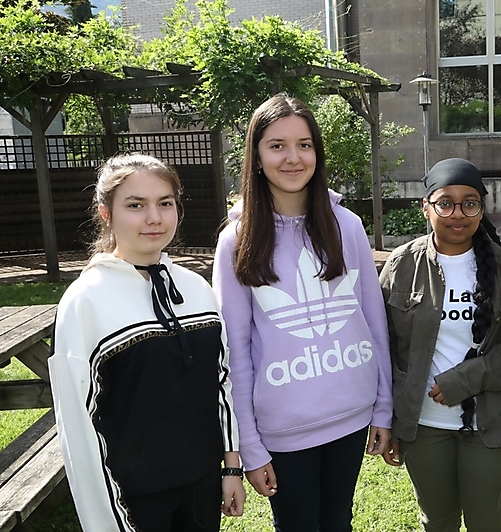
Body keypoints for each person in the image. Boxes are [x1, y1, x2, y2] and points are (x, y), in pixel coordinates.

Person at [212, 94, 392, 532]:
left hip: (351, 416)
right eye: (277, 145)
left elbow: (374, 322)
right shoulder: (236, 240)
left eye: (304, 145)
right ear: (256, 157)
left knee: (338, 522)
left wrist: (384, 406)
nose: (293, 157)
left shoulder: (346, 225)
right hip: (283, 431)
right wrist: (249, 444)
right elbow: (234, 351)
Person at [49, 153, 246, 531]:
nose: (154, 217)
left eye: (165, 203)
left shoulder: (196, 289)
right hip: (133, 500)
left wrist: (230, 466)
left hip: (202, 487)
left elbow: (221, 384)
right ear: (106, 213)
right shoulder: (85, 301)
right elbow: (79, 427)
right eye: (136, 205)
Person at [379, 157, 501, 532]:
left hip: (489, 425)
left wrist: (463, 381)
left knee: (489, 524)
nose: (457, 214)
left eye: (469, 203)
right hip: (424, 426)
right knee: (438, 523)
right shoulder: (402, 265)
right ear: (426, 207)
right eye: (445, 203)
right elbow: (383, 347)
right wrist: (390, 420)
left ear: (481, 209)